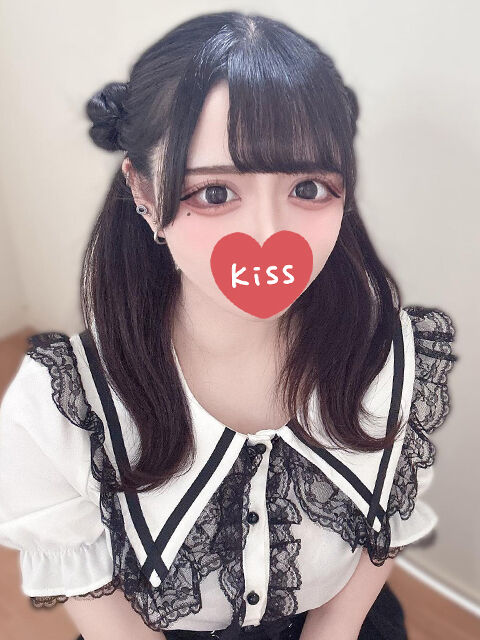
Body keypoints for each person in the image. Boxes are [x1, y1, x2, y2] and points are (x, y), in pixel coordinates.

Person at [0, 11, 458, 640]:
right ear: (143, 192)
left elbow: (388, 517)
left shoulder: (393, 361)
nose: (269, 235)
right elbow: (84, 579)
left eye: (308, 187)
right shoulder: (62, 406)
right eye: (214, 194)